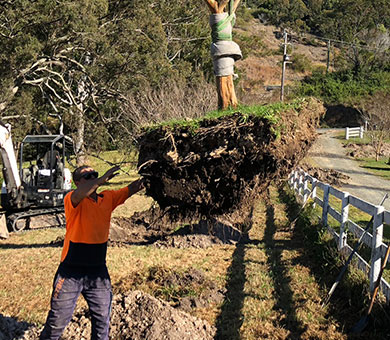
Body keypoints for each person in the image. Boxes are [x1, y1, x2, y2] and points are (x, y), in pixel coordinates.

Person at [39, 165, 144, 340]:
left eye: (94, 174)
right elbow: (81, 193)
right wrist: (101, 179)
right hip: (70, 273)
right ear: (77, 182)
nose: (92, 177)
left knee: (102, 320)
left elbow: (131, 189)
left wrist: (151, 175)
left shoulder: (107, 198)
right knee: (56, 323)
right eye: (87, 176)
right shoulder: (72, 200)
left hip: (97, 272)